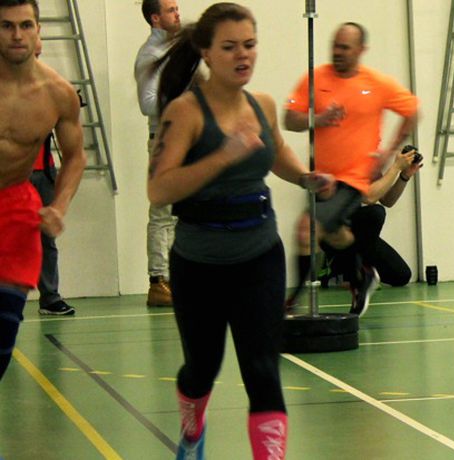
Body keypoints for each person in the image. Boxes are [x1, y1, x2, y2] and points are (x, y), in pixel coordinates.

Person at [147, 4, 332, 458]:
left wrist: (305, 177)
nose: (243, 55)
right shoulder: (185, 112)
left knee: (263, 370)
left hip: (259, 255)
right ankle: (192, 428)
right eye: (230, 47)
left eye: (249, 45)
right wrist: (223, 156)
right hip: (200, 263)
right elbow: (159, 188)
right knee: (202, 368)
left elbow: (276, 151)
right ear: (207, 53)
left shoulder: (262, 105)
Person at [284, 22, 419, 316]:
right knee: (334, 234)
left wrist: (389, 152)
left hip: (354, 179)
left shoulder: (377, 83)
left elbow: (412, 111)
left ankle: (293, 300)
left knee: (306, 229)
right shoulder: (316, 77)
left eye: (345, 47)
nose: (338, 52)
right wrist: (318, 119)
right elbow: (289, 119)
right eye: (335, 45)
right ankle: (362, 276)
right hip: (323, 180)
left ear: (360, 50)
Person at [0, 0, 86, 381]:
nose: (16, 35)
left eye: (25, 25)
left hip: (15, 210)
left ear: (38, 30)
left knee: (2, 340)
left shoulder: (57, 93)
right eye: (6, 26)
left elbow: (76, 156)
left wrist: (60, 206)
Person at [319, 146, 422, 314]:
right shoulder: (339, 155)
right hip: (334, 231)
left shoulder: (368, 162)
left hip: (359, 235)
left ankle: (359, 269)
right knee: (375, 213)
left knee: (401, 276)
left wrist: (404, 176)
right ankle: (342, 267)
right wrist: (395, 167)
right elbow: (370, 197)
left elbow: (387, 200)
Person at [134, 0, 181, 307]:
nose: (177, 14)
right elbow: (146, 103)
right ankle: (158, 280)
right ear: (155, 18)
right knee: (162, 212)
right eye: (171, 10)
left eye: (177, 8)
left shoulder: (174, 50)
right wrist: (185, 98)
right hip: (164, 139)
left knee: (178, 214)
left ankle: (175, 277)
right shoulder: (150, 55)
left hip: (182, 137)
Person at [30, 135, 76, 315]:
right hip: (11, 171)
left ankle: (50, 298)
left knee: (47, 238)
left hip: (44, 171)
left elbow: (76, 155)